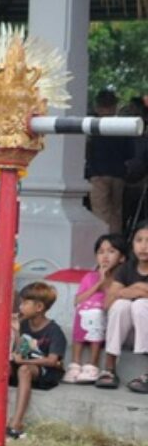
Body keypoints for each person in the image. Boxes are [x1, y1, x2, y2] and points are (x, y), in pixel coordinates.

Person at [0, 283, 65, 440]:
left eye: (25, 303)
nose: (20, 307)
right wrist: (16, 332)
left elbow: (52, 361)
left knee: (24, 369)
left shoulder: (54, 330)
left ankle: (16, 424)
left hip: (45, 373)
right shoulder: (23, 324)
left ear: (39, 307)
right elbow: (20, 350)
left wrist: (25, 362)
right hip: (26, 366)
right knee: (3, 366)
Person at [63, 234, 124, 385]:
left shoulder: (122, 278)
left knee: (95, 311)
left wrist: (107, 284)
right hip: (86, 318)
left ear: (122, 258)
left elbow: (112, 302)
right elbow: (77, 301)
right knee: (84, 308)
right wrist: (99, 283)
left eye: (111, 251)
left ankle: (93, 364)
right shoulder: (90, 277)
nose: (105, 256)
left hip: (107, 319)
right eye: (100, 252)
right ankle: (76, 364)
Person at [99, 222, 148, 391]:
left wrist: (127, 291)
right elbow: (107, 304)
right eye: (139, 240)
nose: (144, 246)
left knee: (141, 305)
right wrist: (137, 289)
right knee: (120, 305)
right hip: (128, 334)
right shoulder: (126, 269)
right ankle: (109, 367)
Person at [86, 89, 135, 235]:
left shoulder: (92, 126)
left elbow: (87, 151)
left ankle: (102, 243)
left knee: (101, 212)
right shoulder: (122, 127)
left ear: (97, 106)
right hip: (118, 173)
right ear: (115, 106)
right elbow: (130, 153)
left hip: (97, 172)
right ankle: (116, 245)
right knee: (116, 212)